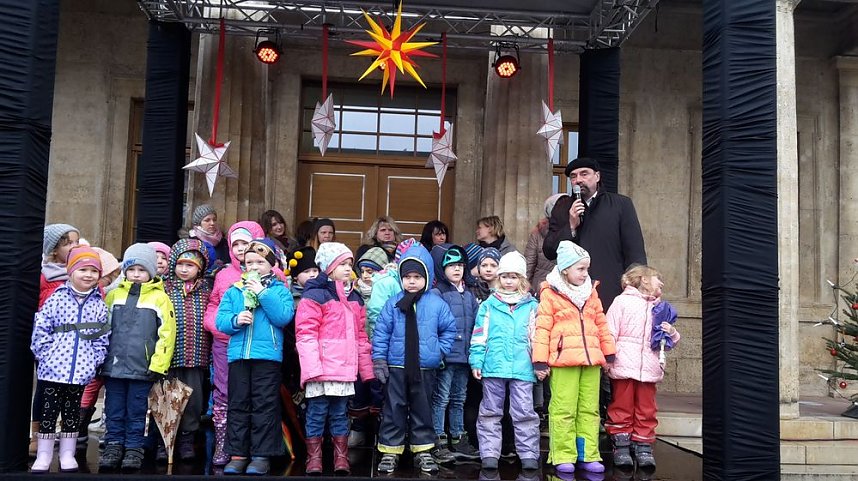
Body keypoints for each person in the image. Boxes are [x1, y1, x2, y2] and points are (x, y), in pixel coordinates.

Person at [372, 243, 457, 474]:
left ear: (427, 277)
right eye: (407, 276)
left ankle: (423, 450)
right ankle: (391, 450)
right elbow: (381, 332)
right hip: (397, 366)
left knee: (422, 408)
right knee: (394, 408)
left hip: (424, 368)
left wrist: (439, 350)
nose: (411, 281)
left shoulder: (436, 304)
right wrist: (379, 359)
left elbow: (449, 329)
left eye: (417, 276)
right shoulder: (393, 304)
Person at [532, 241, 616, 474]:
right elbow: (542, 328)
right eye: (580, 269)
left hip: (591, 360)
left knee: (590, 409)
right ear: (565, 269)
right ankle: (563, 454)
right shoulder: (550, 293)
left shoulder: (591, 291)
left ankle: (588, 453)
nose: (585, 273)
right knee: (563, 409)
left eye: (586, 269)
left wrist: (608, 354)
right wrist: (540, 360)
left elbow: (601, 323)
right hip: (563, 361)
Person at [216, 238, 294, 476]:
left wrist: (263, 293)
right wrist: (235, 320)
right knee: (238, 405)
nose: (254, 266)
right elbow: (221, 320)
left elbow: (283, 317)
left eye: (260, 262)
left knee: (264, 406)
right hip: (239, 355)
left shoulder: (280, 290)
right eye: (249, 262)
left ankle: (261, 455)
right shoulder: (234, 291)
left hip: (267, 356)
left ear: (272, 265)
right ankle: (238, 454)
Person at [296, 242, 374, 475]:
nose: (348, 268)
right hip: (320, 369)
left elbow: (361, 336)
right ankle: (314, 459)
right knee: (317, 413)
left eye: (350, 264)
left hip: (344, 370)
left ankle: (341, 458)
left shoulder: (355, 298)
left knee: (341, 414)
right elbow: (306, 333)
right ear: (328, 267)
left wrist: (366, 369)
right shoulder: (315, 294)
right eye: (342, 264)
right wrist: (311, 369)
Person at [30, 246, 109, 473]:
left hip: (80, 371)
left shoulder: (98, 304)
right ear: (71, 271)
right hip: (53, 369)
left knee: (72, 412)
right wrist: (45, 356)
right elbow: (42, 328)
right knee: (49, 410)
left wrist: (94, 360)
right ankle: (44, 453)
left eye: (94, 271)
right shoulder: (56, 298)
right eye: (83, 269)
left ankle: (68, 452)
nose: (88, 275)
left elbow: (101, 337)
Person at [99, 243, 176, 471]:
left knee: (137, 410)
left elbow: (167, 334)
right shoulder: (114, 295)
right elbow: (103, 329)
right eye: (132, 269)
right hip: (113, 366)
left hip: (142, 367)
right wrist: (99, 359)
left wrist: (158, 364)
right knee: (113, 408)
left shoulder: (160, 299)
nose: (136, 275)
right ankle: (113, 444)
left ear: (151, 272)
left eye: (142, 270)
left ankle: (134, 447)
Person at [542, 157, 647, 311]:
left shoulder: (620, 205)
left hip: (610, 292)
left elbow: (634, 251)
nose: (578, 180)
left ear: (597, 177)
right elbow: (549, 250)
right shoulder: (562, 207)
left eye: (584, 174)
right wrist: (571, 225)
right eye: (573, 176)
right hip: (572, 297)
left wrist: (635, 290)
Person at [469, 252, 541, 471]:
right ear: (498, 278)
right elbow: (479, 335)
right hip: (494, 365)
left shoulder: (532, 306)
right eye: (505, 276)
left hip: (522, 367)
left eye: (514, 276)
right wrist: (477, 361)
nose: (509, 281)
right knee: (490, 411)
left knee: (525, 412)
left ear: (522, 280)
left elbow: (536, 337)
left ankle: (528, 452)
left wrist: (539, 362)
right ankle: (489, 452)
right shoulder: (489, 305)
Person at [605, 265, 680, 469]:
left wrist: (671, 332)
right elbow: (609, 331)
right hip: (624, 365)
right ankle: (621, 443)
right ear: (644, 280)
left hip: (649, 368)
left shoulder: (660, 308)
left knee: (646, 408)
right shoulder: (621, 302)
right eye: (657, 278)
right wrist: (608, 358)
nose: (662, 283)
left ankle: (643, 444)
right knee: (622, 405)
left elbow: (669, 342)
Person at [203, 221, 264, 466]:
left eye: (245, 243)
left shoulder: (271, 273)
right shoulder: (225, 275)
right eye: (235, 244)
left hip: (257, 344)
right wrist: (220, 328)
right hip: (226, 342)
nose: (240, 249)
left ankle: (251, 446)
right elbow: (214, 306)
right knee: (224, 392)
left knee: (253, 395)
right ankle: (224, 443)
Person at [160, 238, 213, 462]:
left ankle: (187, 440)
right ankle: (164, 441)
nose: (184, 269)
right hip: (167, 356)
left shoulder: (206, 290)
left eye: (190, 265)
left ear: (199, 267)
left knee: (193, 401)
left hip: (196, 355)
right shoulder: (163, 288)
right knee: (165, 398)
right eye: (180, 264)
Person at [429, 244, 480, 464]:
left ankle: (458, 437)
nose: (457, 270)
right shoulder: (438, 292)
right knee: (441, 398)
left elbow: (476, 325)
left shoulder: (469, 294)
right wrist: (439, 353)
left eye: (460, 265)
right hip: (446, 357)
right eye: (451, 266)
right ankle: (438, 438)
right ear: (443, 269)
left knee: (459, 398)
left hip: (464, 357)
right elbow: (434, 325)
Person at [526, 194, 564, 295]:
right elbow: (529, 264)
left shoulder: (575, 230)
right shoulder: (537, 234)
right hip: (541, 289)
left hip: (565, 290)